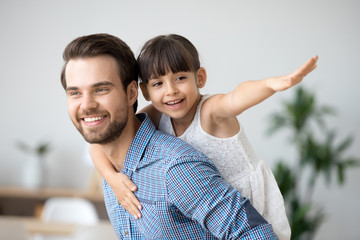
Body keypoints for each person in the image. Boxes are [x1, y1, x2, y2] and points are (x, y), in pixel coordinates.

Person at [91, 34, 318, 240]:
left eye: (180, 78)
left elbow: (237, 97)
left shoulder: (210, 111)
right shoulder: (154, 114)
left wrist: (273, 84)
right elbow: (100, 144)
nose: (171, 90)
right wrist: (112, 179)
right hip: (207, 209)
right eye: (158, 83)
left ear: (200, 78)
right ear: (145, 92)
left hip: (247, 209)